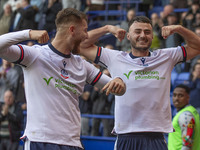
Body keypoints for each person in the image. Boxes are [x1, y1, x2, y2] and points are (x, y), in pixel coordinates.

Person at [0, 8, 126, 150]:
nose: (86, 36)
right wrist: (28, 33)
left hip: (72, 143)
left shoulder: (82, 65)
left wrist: (119, 81)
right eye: (84, 30)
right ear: (72, 30)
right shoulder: (36, 55)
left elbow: (117, 90)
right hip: (40, 140)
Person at [80, 16, 200, 150]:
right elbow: (80, 45)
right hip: (126, 136)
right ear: (128, 36)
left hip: (155, 137)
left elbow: (197, 46)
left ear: (152, 37)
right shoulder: (115, 57)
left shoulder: (166, 57)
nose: (143, 35)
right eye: (137, 31)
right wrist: (107, 28)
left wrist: (179, 28)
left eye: (147, 32)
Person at [168, 84, 200, 150]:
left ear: (188, 97)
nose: (176, 98)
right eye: (174, 95)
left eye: (180, 95)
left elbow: (187, 144)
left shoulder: (186, 115)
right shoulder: (191, 111)